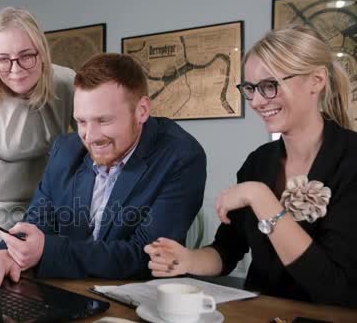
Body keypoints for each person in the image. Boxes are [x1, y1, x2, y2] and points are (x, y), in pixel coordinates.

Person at [144, 25, 357, 308]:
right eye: (250, 88)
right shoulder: (259, 162)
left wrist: (261, 197)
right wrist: (187, 259)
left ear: (316, 80)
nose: (256, 101)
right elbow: (227, 250)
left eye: (270, 85)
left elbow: (336, 289)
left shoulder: (351, 160)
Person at [0, 53, 207, 287]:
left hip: (139, 299)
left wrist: (47, 251)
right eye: (82, 122)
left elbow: (147, 257)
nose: (90, 137)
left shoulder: (181, 156)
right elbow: (36, 222)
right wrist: (7, 251)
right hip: (67, 290)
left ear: (142, 110)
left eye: (103, 121)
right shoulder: (65, 149)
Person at [0, 7, 76, 250]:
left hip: (52, 210)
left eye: (26, 56)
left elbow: (95, 144)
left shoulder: (66, 83)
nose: (15, 68)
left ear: (41, 52)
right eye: (2, 59)